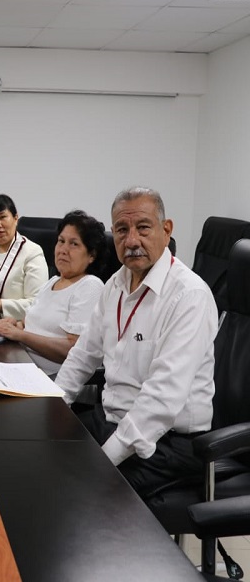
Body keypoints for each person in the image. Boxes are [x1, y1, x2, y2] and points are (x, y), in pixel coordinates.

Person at [55, 187, 218, 498]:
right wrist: (51, 408)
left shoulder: (188, 296)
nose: (131, 241)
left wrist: (106, 458)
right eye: (121, 230)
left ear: (166, 230)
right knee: (43, 458)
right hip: (113, 421)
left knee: (79, 495)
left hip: (166, 442)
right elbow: (82, 356)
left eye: (143, 227)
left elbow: (161, 400)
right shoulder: (114, 285)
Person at [0, 210, 106, 375]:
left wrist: (20, 335)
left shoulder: (90, 286)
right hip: (21, 363)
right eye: (61, 241)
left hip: (50, 378)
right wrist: (13, 324)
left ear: (91, 255)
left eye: (74, 244)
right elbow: (29, 323)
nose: (63, 250)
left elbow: (73, 350)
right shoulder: (52, 282)